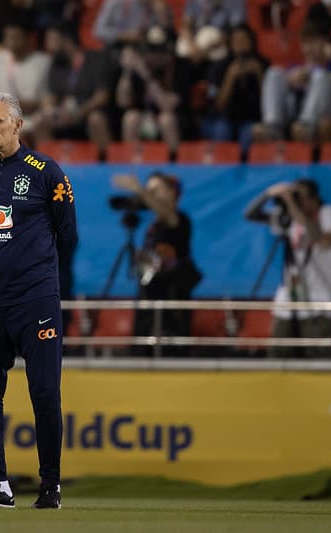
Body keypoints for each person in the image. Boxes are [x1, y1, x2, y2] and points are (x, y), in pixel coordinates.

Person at [0, 92, 77, 509]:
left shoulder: (47, 173)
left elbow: (68, 237)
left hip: (36, 300)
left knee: (44, 392)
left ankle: (50, 486)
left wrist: (38, 278)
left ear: (17, 126)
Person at [244, 179, 331, 358]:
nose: (297, 201)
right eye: (294, 196)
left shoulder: (328, 213)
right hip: (289, 295)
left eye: (300, 196)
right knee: (278, 353)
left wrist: (293, 207)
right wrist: (268, 194)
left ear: (314, 198)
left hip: (319, 298)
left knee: (322, 358)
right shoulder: (290, 218)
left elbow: (322, 241)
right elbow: (250, 215)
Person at [112, 172, 201, 355]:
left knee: (171, 341)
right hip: (152, 288)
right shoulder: (155, 224)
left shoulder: (179, 219)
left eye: (155, 189)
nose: (149, 193)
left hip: (173, 292)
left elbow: (169, 215)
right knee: (144, 331)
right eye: (148, 189)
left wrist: (139, 189)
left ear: (172, 193)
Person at [35, 23, 115, 157]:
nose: (47, 45)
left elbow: (102, 96)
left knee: (96, 119)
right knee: (40, 121)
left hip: (88, 112)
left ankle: (107, 164)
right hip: (65, 114)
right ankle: (47, 168)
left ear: (66, 40)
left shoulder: (97, 59)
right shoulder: (56, 64)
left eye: (51, 40)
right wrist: (53, 111)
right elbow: (50, 96)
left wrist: (78, 112)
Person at [117, 26, 199, 154]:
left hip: (178, 121)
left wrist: (147, 76)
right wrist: (127, 72)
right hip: (147, 119)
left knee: (166, 120)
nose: (152, 55)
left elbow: (167, 105)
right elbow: (122, 102)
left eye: (158, 51)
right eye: (149, 50)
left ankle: (174, 165)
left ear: (169, 51)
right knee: (130, 118)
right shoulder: (140, 67)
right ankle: (132, 164)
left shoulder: (181, 66)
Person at [252, 23, 331, 142]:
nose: (309, 47)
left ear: (325, 43)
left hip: (321, 116)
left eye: (314, 41)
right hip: (293, 111)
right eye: (306, 43)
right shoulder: (295, 68)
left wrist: (317, 69)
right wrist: (290, 81)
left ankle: (306, 125)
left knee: (320, 76)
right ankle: (273, 125)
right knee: (274, 73)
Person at [0, 19, 51, 140]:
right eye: (7, 37)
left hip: (33, 117)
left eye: (15, 37)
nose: (10, 41)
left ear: (28, 38)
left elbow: (45, 100)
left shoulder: (43, 62)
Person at [201, 23, 268, 151]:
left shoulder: (262, 63)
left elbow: (269, 103)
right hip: (225, 117)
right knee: (221, 130)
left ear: (251, 42)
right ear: (230, 43)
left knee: (250, 132)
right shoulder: (220, 66)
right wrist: (230, 78)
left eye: (244, 40)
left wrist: (259, 75)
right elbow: (218, 105)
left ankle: (247, 168)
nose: (240, 44)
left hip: (252, 117)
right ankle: (220, 167)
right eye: (236, 40)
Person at [93, 0, 175, 50]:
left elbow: (165, 33)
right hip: (116, 49)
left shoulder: (154, 6)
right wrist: (124, 35)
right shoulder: (116, 2)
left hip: (145, 49)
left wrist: (161, 13)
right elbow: (98, 31)